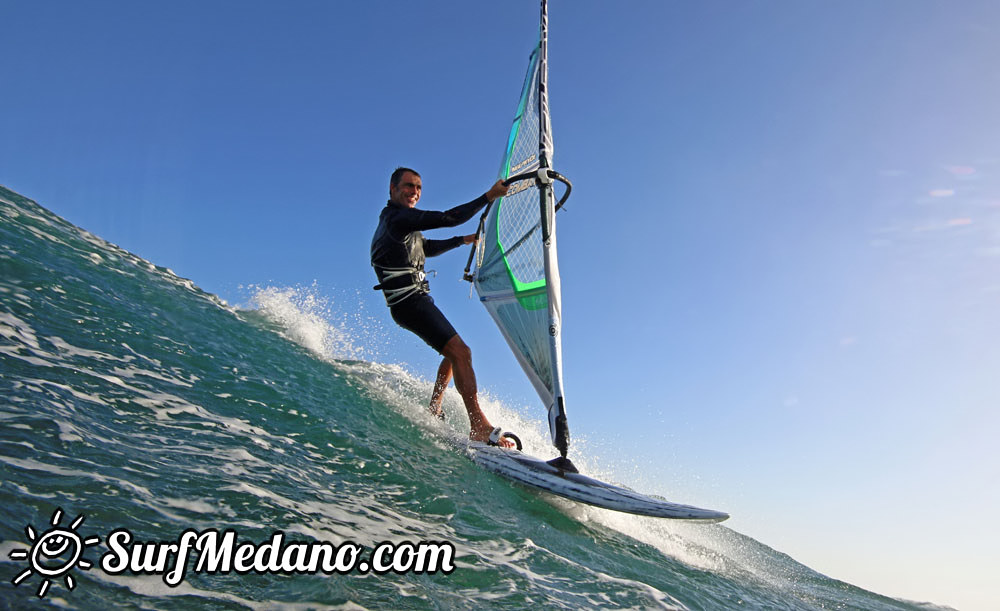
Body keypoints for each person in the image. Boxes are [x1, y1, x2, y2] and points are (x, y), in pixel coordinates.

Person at [371, 167, 512, 446]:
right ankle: (479, 427)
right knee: (462, 352)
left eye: (419, 188)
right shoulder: (396, 218)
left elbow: (427, 248)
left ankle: (435, 406)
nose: (415, 192)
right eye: (409, 186)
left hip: (416, 300)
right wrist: (489, 196)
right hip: (408, 302)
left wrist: (462, 241)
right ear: (392, 188)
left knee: (453, 353)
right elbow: (449, 218)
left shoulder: (405, 226)